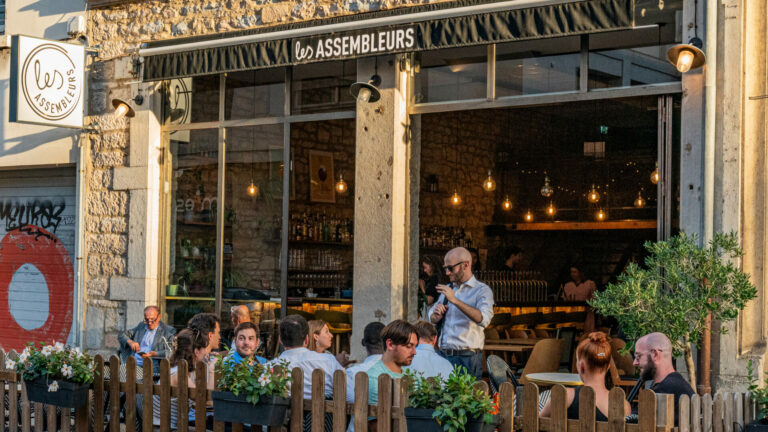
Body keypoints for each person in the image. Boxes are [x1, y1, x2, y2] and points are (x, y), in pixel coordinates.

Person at [428, 247, 494, 378]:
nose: (447, 273)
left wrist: (455, 300)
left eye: (450, 268)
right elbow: (432, 317)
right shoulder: (449, 289)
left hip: (467, 357)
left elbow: (484, 319)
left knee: (466, 397)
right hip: (443, 354)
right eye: (445, 268)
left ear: (465, 265)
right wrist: (436, 316)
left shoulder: (482, 290)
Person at [540, 332, 631, 420]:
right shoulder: (623, 405)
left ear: (581, 366)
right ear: (608, 367)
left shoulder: (564, 396)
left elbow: (536, 425)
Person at [151, 328, 215, 429]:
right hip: (163, 428)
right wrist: (211, 370)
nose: (206, 352)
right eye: (205, 348)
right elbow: (205, 400)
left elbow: (206, 396)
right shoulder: (178, 373)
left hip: (175, 426)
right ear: (196, 351)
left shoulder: (186, 370)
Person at [633, 332, 694, 424]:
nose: (635, 363)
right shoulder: (676, 383)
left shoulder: (665, 389)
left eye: (639, 356)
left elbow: (633, 423)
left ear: (655, 354)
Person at [366, 320, 418, 406]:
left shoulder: (413, 377)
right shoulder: (373, 378)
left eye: (415, 346)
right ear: (390, 344)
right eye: (409, 346)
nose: (414, 352)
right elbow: (373, 419)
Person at [345, 321, 385, 432]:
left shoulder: (352, 372)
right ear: (387, 343)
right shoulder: (395, 371)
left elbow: (348, 403)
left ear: (363, 343)